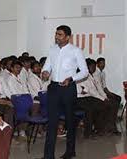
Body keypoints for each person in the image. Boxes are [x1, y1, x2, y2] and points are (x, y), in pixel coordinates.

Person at [42, 25, 88, 159]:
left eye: (60, 34)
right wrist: (45, 73)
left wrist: (72, 79)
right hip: (54, 88)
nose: (57, 37)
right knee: (52, 122)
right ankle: (48, 155)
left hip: (68, 88)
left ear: (68, 37)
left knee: (69, 120)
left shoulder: (75, 51)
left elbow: (84, 72)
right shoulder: (52, 50)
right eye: (56, 34)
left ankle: (70, 151)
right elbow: (47, 67)